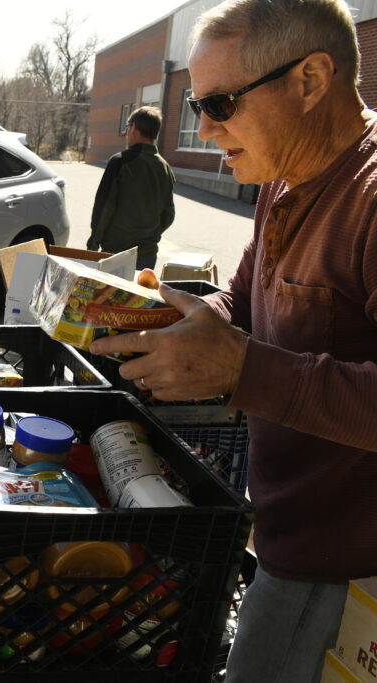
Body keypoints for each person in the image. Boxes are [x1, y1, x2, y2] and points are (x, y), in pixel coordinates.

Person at [89, 1, 377, 681]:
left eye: (221, 102)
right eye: (196, 101)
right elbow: (244, 297)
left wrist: (241, 366)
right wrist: (184, 321)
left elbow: (254, 359)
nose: (205, 125)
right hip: (280, 531)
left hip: (341, 567)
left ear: (311, 79)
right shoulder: (284, 171)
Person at [87, 106, 176, 271]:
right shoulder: (164, 168)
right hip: (147, 255)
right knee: (136, 297)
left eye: (127, 127)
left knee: (110, 297)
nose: (127, 132)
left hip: (115, 252)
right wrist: (149, 234)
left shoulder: (120, 162)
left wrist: (93, 245)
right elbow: (169, 215)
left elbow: (104, 208)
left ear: (134, 127)